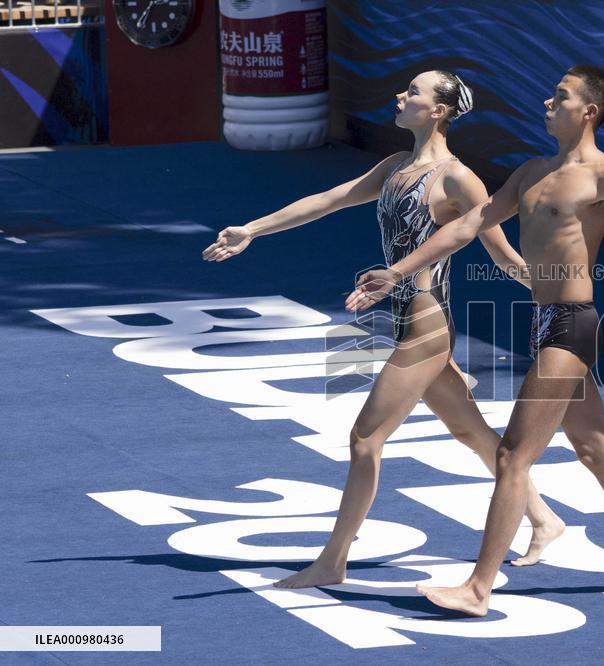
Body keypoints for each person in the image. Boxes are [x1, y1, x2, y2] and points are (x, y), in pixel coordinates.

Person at [347, 64, 604, 616]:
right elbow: (463, 227)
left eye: (561, 98)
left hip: (572, 325)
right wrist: (399, 272)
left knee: (511, 455)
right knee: (594, 449)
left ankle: (479, 588)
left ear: (589, 111)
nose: (549, 104)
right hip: (543, 323)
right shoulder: (530, 172)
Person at [202, 70, 566, 589]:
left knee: (365, 437)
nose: (400, 95)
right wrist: (252, 230)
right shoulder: (396, 167)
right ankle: (545, 518)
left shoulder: (459, 179)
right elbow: (330, 198)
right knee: (469, 432)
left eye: (413, 92)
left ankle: (332, 561)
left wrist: (552, 285)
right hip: (405, 320)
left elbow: (502, 252)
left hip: (426, 323)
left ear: (439, 110)